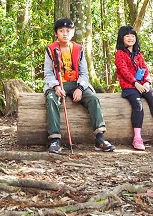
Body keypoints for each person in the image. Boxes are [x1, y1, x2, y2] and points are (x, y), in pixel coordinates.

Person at [44, 17, 115, 154]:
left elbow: (84, 73)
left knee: (93, 98)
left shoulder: (78, 49)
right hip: (58, 84)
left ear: (73, 32)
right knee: (51, 99)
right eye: (61, 31)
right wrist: (56, 87)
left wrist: (80, 88)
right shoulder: (50, 50)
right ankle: (55, 140)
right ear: (56, 33)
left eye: (68, 31)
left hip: (76, 83)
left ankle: (100, 138)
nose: (65, 33)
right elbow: (48, 73)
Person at [114, 25, 153, 150]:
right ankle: (137, 137)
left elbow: (145, 69)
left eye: (132, 36)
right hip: (130, 87)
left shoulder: (138, 54)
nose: (130, 38)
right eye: (127, 36)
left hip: (143, 85)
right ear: (122, 38)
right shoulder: (119, 54)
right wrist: (135, 83)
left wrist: (147, 82)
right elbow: (124, 71)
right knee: (138, 105)